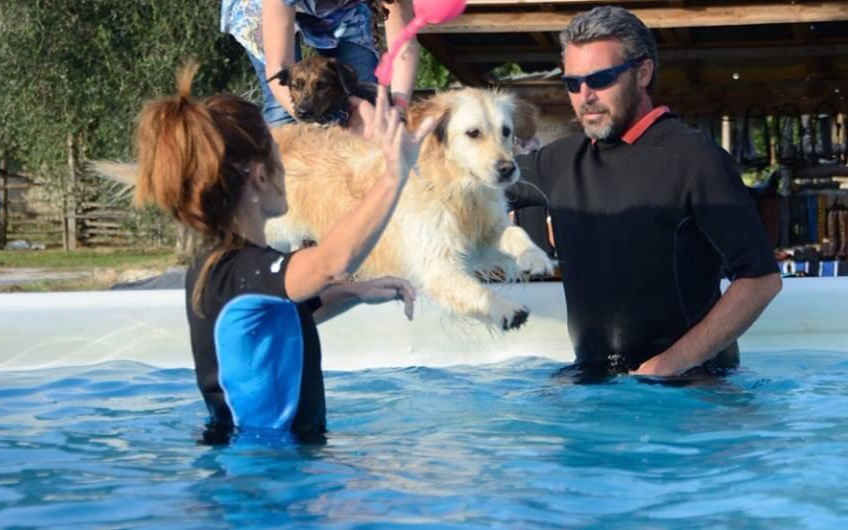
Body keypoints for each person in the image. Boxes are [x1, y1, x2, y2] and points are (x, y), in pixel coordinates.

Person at [133, 62, 435, 439]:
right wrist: (394, 174)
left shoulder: (224, 269)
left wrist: (355, 293)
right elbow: (330, 263)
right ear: (262, 176)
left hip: (266, 465)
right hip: (263, 472)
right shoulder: (239, 272)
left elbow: (280, 318)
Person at [511, 6, 782, 379]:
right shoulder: (558, 162)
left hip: (691, 391)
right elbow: (462, 186)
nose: (584, 95)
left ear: (642, 73)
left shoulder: (695, 158)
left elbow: (761, 279)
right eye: (573, 84)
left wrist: (668, 366)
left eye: (600, 79)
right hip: (592, 384)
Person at [220, 0, 418, 126]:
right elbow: (279, 66)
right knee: (283, 114)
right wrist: (312, 119)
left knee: (369, 101)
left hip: (343, 10)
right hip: (262, 7)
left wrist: (398, 110)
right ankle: (283, 183)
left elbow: (404, 48)